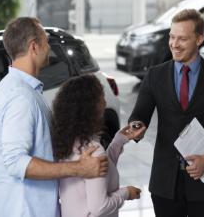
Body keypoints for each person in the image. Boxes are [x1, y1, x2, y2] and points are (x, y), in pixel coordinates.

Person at [129, 9, 204, 217]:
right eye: (172, 37)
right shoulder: (154, 76)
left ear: (199, 39)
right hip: (164, 184)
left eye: (182, 38)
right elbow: (139, 115)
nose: (174, 44)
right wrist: (135, 127)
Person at [0, 17, 108, 217]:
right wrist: (78, 168)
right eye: (46, 41)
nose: (49, 47)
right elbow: (16, 162)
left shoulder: (17, 87)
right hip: (28, 211)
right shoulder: (21, 97)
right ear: (34, 47)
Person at [52, 74, 143, 217]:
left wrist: (118, 141)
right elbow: (99, 208)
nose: (105, 102)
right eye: (101, 97)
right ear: (90, 107)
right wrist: (126, 193)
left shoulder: (67, 143)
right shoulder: (94, 151)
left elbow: (104, 172)